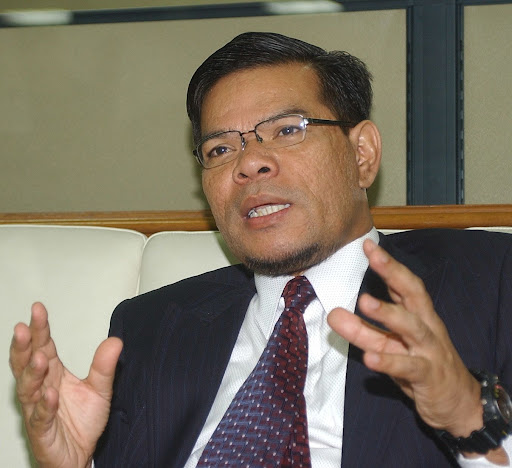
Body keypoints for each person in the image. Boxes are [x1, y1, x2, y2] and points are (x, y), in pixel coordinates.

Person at [9, 32, 512, 468]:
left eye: (287, 130)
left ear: (362, 154)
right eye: (221, 149)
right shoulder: (149, 329)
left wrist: (468, 415)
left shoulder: (490, 280)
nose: (250, 163)